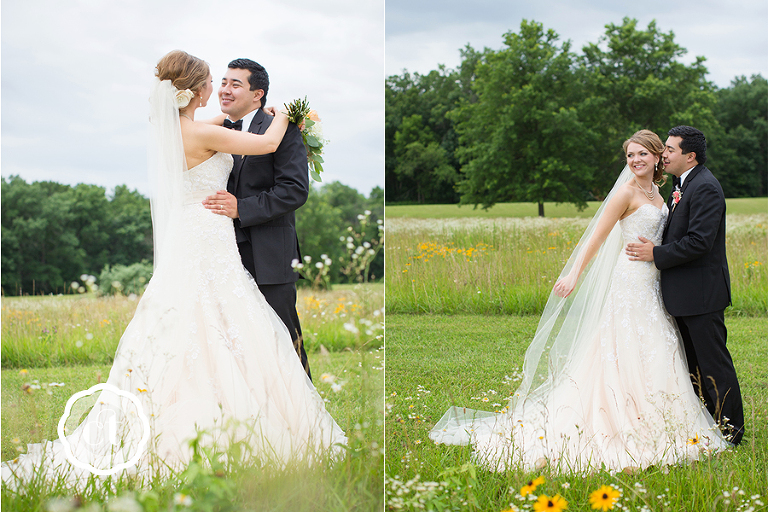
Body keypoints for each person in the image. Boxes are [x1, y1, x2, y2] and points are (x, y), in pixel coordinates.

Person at [1, 50, 345, 487]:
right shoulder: (204, 132)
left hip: (197, 238)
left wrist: (273, 120)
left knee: (203, 325)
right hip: (209, 239)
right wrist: (289, 115)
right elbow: (265, 145)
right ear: (197, 90)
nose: (219, 88)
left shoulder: (181, 129)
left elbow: (272, 166)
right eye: (214, 81)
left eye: (231, 83)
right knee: (226, 325)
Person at [430, 130, 730, 473]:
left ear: (658, 157)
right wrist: (573, 274)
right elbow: (596, 238)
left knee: (657, 347)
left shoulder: (662, 193)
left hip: (655, 284)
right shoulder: (625, 192)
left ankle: (662, 419)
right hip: (630, 282)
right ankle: (618, 421)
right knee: (623, 349)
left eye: (642, 154)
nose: (635, 160)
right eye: (630, 155)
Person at [626, 125, 744, 445]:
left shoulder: (705, 187)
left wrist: (655, 254)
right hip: (684, 294)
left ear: (689, 156)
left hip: (702, 294)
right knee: (692, 364)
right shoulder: (681, 185)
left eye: (670, 149)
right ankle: (706, 421)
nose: (663, 153)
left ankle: (731, 431)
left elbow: (699, 242)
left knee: (713, 364)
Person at [202, 59, 312, 381]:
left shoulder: (282, 128)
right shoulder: (214, 131)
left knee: (284, 336)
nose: (225, 89)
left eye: (235, 84)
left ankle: (305, 408)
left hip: (269, 253)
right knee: (234, 341)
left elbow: (294, 190)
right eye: (223, 82)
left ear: (257, 94)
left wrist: (242, 208)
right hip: (223, 252)